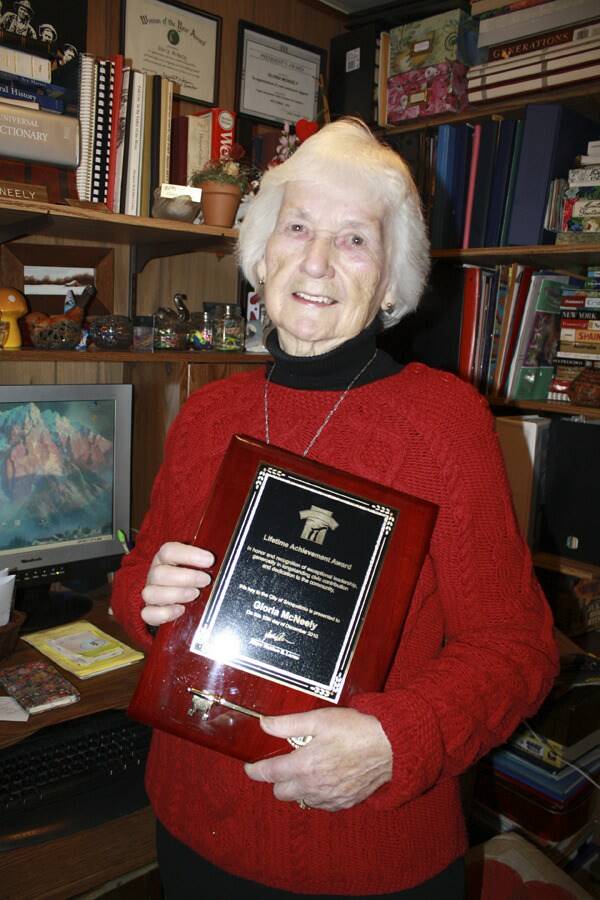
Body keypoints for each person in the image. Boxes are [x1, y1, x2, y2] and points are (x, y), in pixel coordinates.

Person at [111, 118, 559, 899]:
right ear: (261, 254)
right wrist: (148, 601)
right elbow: (137, 582)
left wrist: (397, 740)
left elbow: (517, 648)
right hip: (190, 824)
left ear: (391, 281)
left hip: (367, 852)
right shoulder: (210, 412)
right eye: (297, 227)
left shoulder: (444, 421)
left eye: (354, 239)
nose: (316, 261)